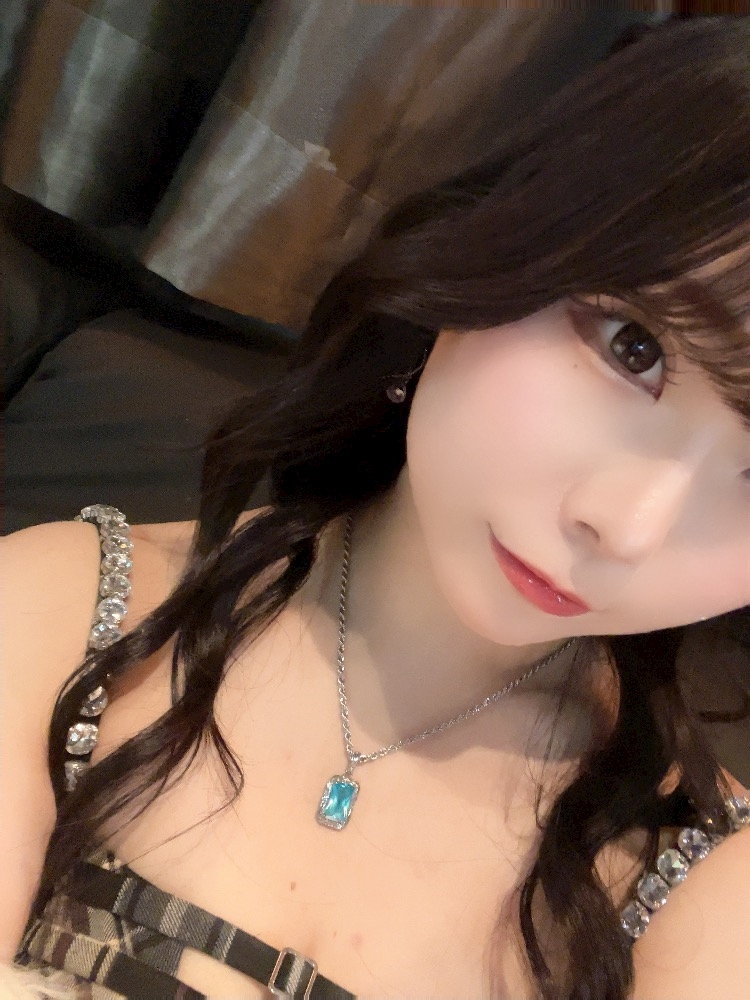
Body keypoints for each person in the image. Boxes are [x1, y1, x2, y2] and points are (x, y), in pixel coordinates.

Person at [2, 14, 750, 1000]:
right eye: (633, 348)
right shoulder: (64, 615)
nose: (629, 524)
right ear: (494, 250)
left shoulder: (707, 883)